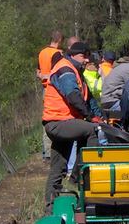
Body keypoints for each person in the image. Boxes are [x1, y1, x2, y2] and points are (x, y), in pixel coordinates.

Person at [42, 41, 102, 208]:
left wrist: (101, 116)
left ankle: (50, 207)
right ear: (73, 54)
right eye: (83, 56)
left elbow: (88, 99)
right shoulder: (66, 69)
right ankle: (78, 176)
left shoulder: (75, 71)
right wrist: (90, 118)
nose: (85, 60)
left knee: (58, 167)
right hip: (58, 122)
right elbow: (73, 97)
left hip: (63, 122)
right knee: (91, 131)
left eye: (87, 57)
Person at [37, 30, 64, 160]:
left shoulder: (42, 53)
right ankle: (56, 150)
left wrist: (43, 76)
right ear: (59, 40)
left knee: (46, 119)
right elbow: (59, 72)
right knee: (57, 118)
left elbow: (38, 72)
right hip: (54, 89)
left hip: (44, 88)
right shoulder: (57, 54)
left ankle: (46, 151)